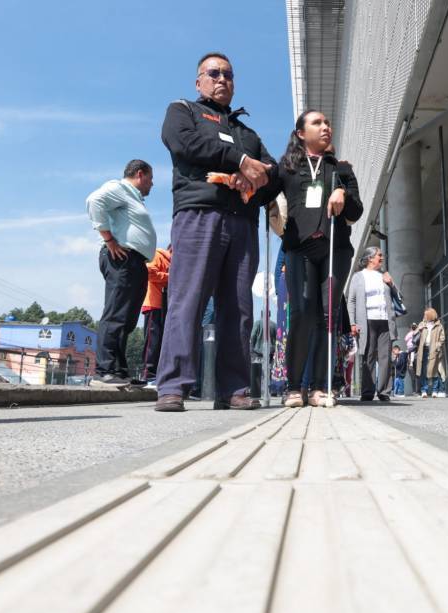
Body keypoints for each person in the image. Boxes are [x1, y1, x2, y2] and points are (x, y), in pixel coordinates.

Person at [155, 52, 278, 413]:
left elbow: (272, 175)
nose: (222, 79)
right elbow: (184, 144)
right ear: (199, 82)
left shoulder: (248, 133)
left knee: (238, 308)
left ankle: (234, 388)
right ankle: (173, 385)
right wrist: (238, 161)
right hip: (199, 214)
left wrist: (253, 180)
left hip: (242, 223)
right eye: (214, 73)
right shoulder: (184, 111)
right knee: (187, 300)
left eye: (228, 74)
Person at [266, 110, 363, 407]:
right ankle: (295, 387)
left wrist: (343, 195)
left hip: (336, 249)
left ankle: (321, 388)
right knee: (301, 313)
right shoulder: (287, 167)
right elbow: (264, 193)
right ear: (300, 133)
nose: (325, 127)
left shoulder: (341, 168)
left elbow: (356, 212)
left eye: (327, 123)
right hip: (299, 248)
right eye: (317, 123)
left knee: (326, 315)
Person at [86, 159, 157, 385]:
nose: (152, 184)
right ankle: (103, 369)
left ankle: (118, 370)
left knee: (127, 318)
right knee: (116, 313)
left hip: (136, 261)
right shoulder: (119, 188)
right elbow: (94, 200)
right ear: (139, 174)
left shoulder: (132, 198)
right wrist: (109, 239)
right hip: (121, 257)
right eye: (150, 178)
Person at [347, 247, 399, 401]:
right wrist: (352, 323)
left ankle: (384, 392)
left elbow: (398, 296)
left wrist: (391, 284)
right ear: (370, 258)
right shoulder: (358, 277)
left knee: (385, 358)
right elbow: (352, 301)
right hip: (367, 320)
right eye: (379, 255)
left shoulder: (384, 276)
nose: (382, 258)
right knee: (368, 356)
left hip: (385, 320)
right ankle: (367, 392)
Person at [140, 245, 172, 386]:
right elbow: (150, 272)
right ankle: (148, 374)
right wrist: (171, 277)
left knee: (160, 341)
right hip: (154, 304)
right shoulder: (158, 255)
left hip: (164, 305)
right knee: (152, 341)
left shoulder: (171, 261)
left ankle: (156, 374)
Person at [415, 308, 446, 398]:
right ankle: (424, 390)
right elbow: (414, 336)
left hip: (433, 350)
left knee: (434, 370)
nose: (424, 316)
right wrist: (419, 330)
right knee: (423, 370)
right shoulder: (422, 324)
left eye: (425, 315)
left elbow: (442, 338)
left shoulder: (438, 326)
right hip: (423, 350)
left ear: (430, 315)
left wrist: (437, 345)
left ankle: (435, 390)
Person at [250, 315, 276, 398]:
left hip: (258, 351)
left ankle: (258, 391)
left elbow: (253, 335)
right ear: (270, 314)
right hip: (270, 351)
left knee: (258, 372)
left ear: (261, 314)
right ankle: (268, 390)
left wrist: (252, 348)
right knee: (269, 371)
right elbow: (276, 338)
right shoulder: (273, 324)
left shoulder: (257, 323)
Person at [405, 322, 420, 394]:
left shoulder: (418, 333)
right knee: (413, 376)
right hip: (410, 350)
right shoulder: (411, 334)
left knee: (418, 375)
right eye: (412, 327)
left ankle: (418, 390)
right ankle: (414, 390)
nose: (413, 328)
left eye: (414, 327)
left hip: (415, 352)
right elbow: (406, 339)